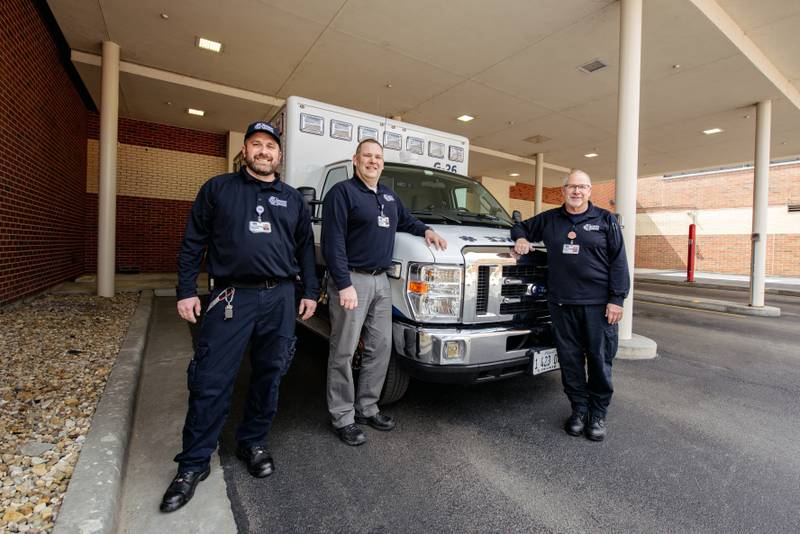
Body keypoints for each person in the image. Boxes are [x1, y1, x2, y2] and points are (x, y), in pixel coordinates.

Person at [160, 121, 319, 512]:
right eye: (256, 145)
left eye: (270, 146)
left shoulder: (292, 200)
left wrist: (311, 292)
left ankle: (253, 442)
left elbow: (305, 251)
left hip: (280, 297)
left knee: (270, 374)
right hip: (231, 296)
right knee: (212, 379)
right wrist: (185, 290)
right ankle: (194, 463)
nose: (264, 152)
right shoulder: (218, 190)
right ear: (245, 151)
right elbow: (192, 241)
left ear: (279, 155)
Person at [322, 139, 447, 446]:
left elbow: (406, 220)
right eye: (367, 156)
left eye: (378, 157)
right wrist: (343, 283)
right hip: (352, 279)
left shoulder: (389, 196)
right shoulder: (342, 193)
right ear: (355, 160)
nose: (373, 161)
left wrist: (426, 231)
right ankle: (342, 416)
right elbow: (332, 242)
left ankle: (366, 407)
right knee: (344, 350)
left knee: (381, 347)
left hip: (381, 281)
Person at [511, 169, 629, 442]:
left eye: (582, 187)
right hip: (562, 304)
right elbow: (520, 227)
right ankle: (578, 410)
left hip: (599, 306)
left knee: (599, 361)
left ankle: (597, 414)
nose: (576, 191)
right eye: (571, 187)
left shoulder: (605, 220)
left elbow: (619, 262)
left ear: (590, 191)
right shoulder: (551, 219)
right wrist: (520, 238)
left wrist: (616, 299)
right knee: (570, 360)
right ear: (563, 190)